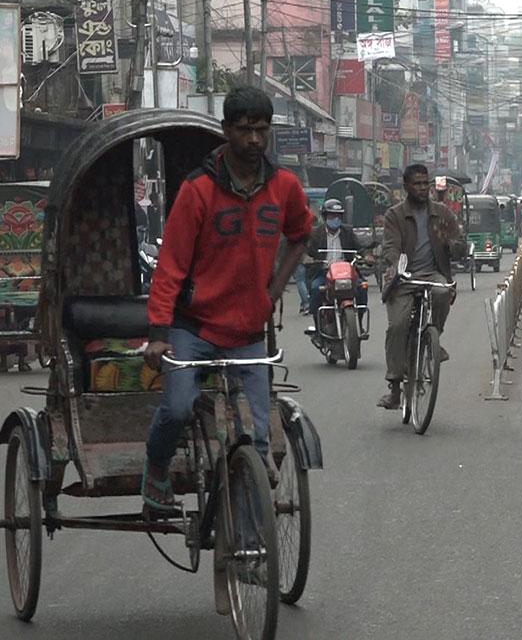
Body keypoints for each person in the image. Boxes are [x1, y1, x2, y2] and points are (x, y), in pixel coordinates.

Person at [141, 86, 313, 511]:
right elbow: (171, 266)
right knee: (178, 406)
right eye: (244, 130)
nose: (254, 139)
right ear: (226, 131)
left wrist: (272, 292)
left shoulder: (285, 186)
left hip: (248, 332)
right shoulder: (198, 190)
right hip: (193, 327)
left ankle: (250, 546)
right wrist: (159, 333)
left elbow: (301, 235)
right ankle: (157, 468)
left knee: (258, 437)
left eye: (261, 130)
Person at [377, 163, 466, 409]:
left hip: (433, 273)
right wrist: (397, 266)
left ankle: (433, 336)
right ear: (406, 187)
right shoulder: (395, 215)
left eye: (425, 183)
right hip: (403, 277)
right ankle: (395, 388)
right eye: (416, 184)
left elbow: (459, 243)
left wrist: (452, 244)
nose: (422, 188)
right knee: (397, 326)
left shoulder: (443, 214)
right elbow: (390, 247)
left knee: (441, 291)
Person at [305, 199, 369, 330]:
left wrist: (367, 256)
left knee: (362, 287)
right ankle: (318, 326)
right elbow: (304, 250)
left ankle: (359, 323)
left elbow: (361, 248)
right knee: (316, 289)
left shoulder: (348, 232)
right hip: (324, 272)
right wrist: (306, 258)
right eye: (332, 215)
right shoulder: (315, 233)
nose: (336, 219)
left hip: (346, 273)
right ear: (325, 216)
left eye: (338, 216)